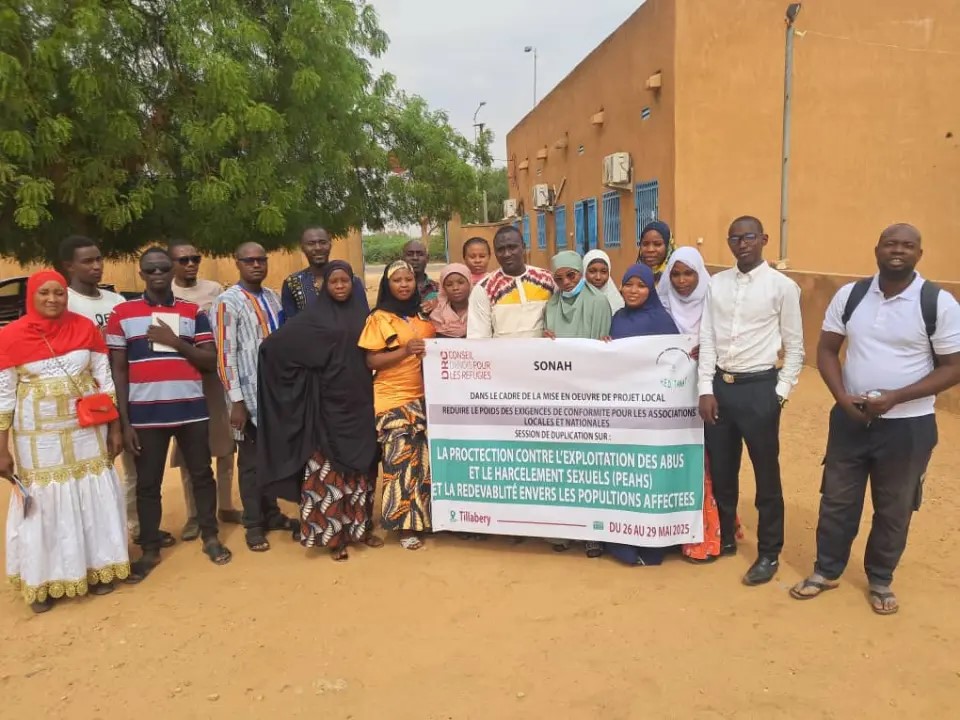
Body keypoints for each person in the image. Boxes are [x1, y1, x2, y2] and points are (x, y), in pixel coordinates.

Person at [791, 224, 960, 615]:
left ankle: (881, 579)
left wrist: (897, 398)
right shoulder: (851, 296)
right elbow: (827, 350)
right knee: (837, 500)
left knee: (895, 506)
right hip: (850, 419)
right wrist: (842, 398)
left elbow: (953, 367)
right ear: (877, 250)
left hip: (909, 426)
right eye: (890, 244)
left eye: (907, 245)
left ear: (919, 253)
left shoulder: (938, 303)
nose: (897, 251)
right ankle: (826, 570)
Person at [1, 271, 142, 613]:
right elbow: (3, 397)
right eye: (44, 293)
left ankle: (100, 568)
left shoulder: (85, 328)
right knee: (44, 503)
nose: (52, 299)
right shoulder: (10, 336)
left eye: (59, 293)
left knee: (91, 494)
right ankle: (44, 581)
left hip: (86, 432)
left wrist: (115, 429)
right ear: (31, 296)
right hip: (39, 441)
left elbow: (105, 380)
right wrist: (1, 449)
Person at [106, 248, 232, 571]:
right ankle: (150, 548)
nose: (158, 274)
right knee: (148, 483)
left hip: (191, 411)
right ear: (141, 274)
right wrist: (125, 421)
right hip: (146, 415)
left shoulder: (192, 312)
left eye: (163, 268)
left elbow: (210, 360)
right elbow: (118, 370)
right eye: (151, 270)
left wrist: (175, 341)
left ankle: (211, 537)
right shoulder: (123, 313)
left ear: (171, 271)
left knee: (202, 475)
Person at [698, 216, 804, 586]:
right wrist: (706, 388)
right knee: (723, 469)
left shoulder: (782, 287)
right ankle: (726, 535)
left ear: (764, 239)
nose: (742, 244)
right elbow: (707, 338)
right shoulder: (717, 284)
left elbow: (795, 347)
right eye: (735, 238)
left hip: (760, 388)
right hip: (721, 388)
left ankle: (769, 552)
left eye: (749, 237)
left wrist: (780, 394)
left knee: (766, 475)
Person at [258, 260, 383, 561]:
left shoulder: (362, 314)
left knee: (362, 468)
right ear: (325, 286)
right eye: (333, 282)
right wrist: (308, 376)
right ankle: (332, 537)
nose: (340, 286)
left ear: (352, 283)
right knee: (329, 472)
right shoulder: (313, 317)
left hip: (360, 401)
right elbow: (273, 348)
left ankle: (359, 528)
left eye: (345, 281)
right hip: (327, 406)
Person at [59, 235, 146, 543]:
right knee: (92, 471)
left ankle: (135, 527)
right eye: (87, 261)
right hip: (84, 400)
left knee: (133, 466)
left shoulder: (116, 302)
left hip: (122, 392)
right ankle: (93, 539)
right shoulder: (65, 302)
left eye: (98, 259)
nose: (96, 266)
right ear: (69, 266)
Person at [209, 242, 294, 553]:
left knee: (270, 457)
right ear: (238, 263)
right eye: (249, 261)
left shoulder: (272, 296)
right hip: (246, 396)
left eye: (261, 260)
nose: (256, 265)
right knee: (250, 462)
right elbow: (224, 355)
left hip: (275, 394)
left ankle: (272, 513)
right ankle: (253, 523)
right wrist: (237, 402)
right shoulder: (226, 302)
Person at [359, 260, 437, 549]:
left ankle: (420, 519)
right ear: (387, 285)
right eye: (397, 280)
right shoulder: (379, 318)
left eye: (408, 279)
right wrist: (405, 350)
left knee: (422, 464)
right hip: (392, 398)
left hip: (423, 398)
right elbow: (371, 360)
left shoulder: (422, 315)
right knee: (400, 463)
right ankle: (403, 527)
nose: (404, 285)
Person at [606, 263, 680, 565]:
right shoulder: (617, 318)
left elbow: (675, 362)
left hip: (652, 412)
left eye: (641, 285)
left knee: (649, 475)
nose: (633, 291)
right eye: (628, 284)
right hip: (621, 410)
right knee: (623, 475)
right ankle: (622, 542)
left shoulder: (662, 321)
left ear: (651, 289)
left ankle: (653, 545)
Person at [658, 246, 728, 563]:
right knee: (678, 458)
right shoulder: (661, 306)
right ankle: (672, 528)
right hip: (670, 398)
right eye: (675, 274)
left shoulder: (716, 305)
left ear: (700, 274)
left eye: (689, 273)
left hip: (708, 394)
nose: (682, 281)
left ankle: (711, 533)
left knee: (711, 460)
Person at [467, 225, 556, 339]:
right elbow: (479, 337)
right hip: (501, 351)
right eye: (500, 249)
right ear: (495, 252)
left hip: (543, 351)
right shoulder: (484, 288)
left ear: (523, 247)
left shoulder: (548, 280)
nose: (507, 254)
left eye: (512, 247)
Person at [281, 227, 367, 319]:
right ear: (302, 248)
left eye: (323, 242)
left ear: (330, 244)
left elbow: (365, 318)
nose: (318, 248)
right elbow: (289, 322)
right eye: (311, 244)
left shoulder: (352, 281)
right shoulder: (292, 283)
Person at [544, 251, 612, 340]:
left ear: (581, 273)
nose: (565, 282)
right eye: (559, 279)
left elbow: (601, 343)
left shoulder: (598, 302)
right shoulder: (552, 305)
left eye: (571, 275)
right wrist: (547, 338)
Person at [429, 263, 472, 338]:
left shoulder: (479, 311)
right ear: (443, 288)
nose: (455, 288)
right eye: (449, 284)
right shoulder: (436, 314)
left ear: (469, 283)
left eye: (461, 283)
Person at [583, 249, 624, 313]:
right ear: (584, 272)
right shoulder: (575, 301)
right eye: (592, 271)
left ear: (609, 272)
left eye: (603, 272)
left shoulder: (618, 304)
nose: (598, 277)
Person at [402, 239, 439, 307]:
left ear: (427, 258)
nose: (415, 258)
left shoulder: (438, 289)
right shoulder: (394, 289)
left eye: (420, 254)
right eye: (410, 254)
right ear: (402, 258)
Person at [638, 220, 677, 285]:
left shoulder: (678, 279)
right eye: (645, 244)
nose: (650, 250)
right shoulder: (634, 277)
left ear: (668, 247)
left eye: (657, 244)